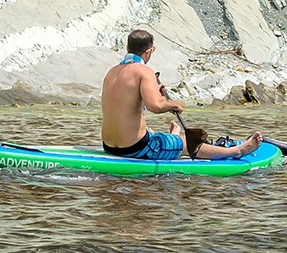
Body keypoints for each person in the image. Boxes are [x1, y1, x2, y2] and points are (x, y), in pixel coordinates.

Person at [100, 29, 259, 161]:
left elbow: (126, 105)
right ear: (149, 51)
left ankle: (173, 135)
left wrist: (156, 93)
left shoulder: (111, 72)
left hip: (109, 146)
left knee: (150, 131)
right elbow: (155, 106)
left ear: (127, 48)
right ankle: (237, 151)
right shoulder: (144, 71)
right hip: (135, 149)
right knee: (185, 143)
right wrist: (174, 104)